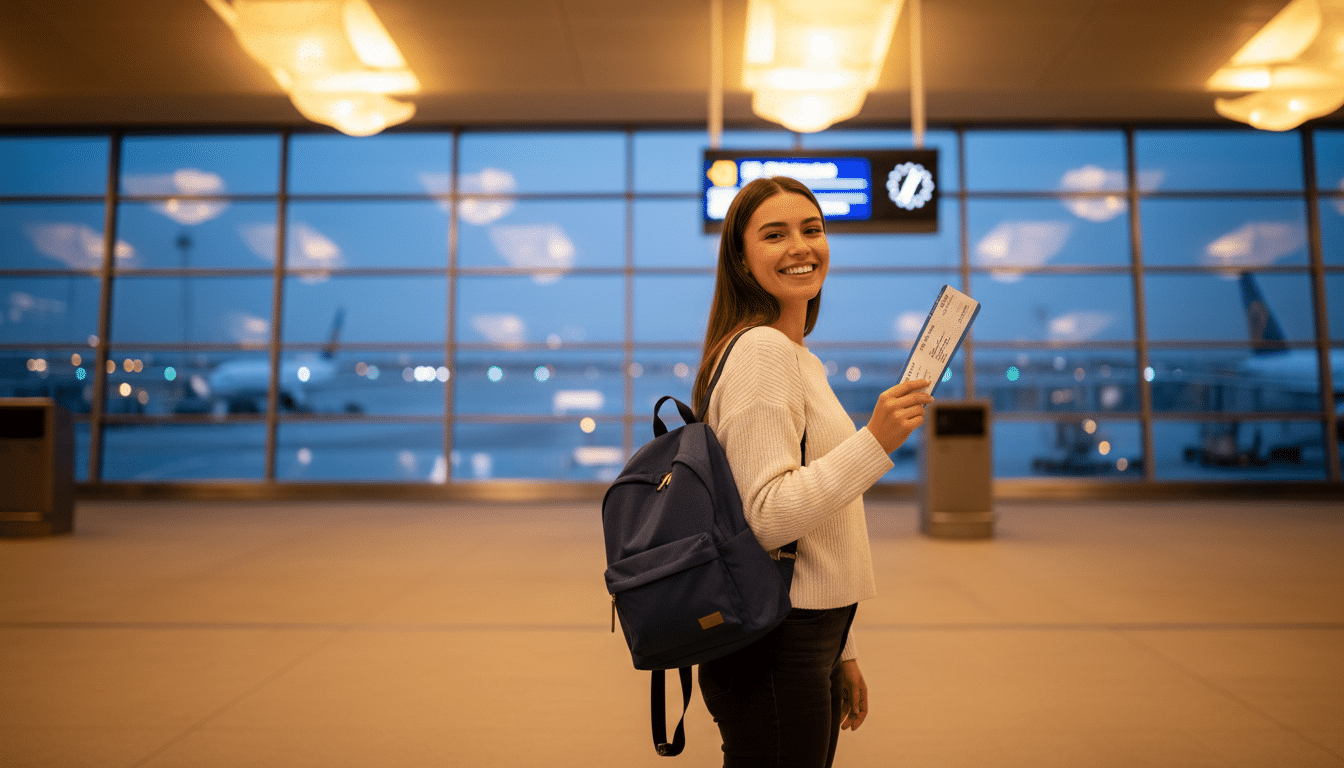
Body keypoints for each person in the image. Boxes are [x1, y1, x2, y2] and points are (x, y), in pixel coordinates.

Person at [692, 175, 934, 768]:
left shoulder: (796, 355)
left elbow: (818, 532)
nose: (801, 247)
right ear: (743, 262)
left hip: (807, 632)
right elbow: (768, 518)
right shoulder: (762, 353)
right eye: (774, 235)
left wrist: (843, 649)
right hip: (777, 642)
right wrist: (877, 440)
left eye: (813, 229)